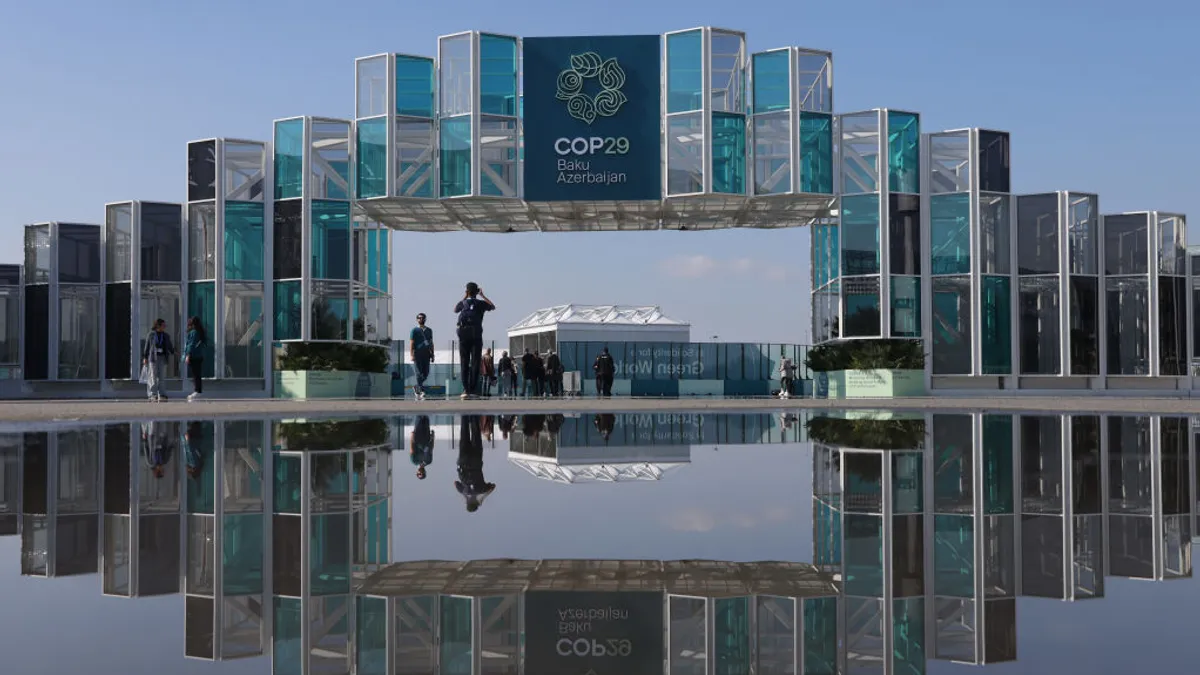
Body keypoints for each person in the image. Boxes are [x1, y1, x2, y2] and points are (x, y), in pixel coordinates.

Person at [453, 283, 495, 399]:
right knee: (475, 362)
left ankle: (465, 389)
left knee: (464, 362)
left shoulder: (463, 303)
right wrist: (483, 295)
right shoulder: (481, 304)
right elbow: (492, 306)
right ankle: (473, 389)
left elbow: (455, 310)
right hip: (476, 335)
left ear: (467, 291)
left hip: (463, 336)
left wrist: (465, 296)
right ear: (477, 292)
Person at [455, 415, 495, 512]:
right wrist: (465, 497)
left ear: (476, 503)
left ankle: (474, 416)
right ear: (467, 503)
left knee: (476, 435)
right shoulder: (463, 492)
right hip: (463, 461)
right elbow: (455, 483)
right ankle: (464, 415)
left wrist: (483, 497)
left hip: (476, 461)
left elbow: (493, 486)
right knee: (464, 434)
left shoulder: (481, 490)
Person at [142, 318, 176, 402]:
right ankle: (152, 394)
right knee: (152, 376)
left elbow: (169, 346)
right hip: (153, 358)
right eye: (163, 325)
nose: (164, 327)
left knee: (162, 377)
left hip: (162, 357)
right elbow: (147, 347)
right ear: (158, 325)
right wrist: (145, 357)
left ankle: (162, 394)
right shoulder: (151, 335)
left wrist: (173, 352)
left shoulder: (166, 335)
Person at [409, 313, 434, 400]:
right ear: (417, 319)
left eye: (422, 318)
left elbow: (431, 342)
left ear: (425, 319)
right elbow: (411, 343)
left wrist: (432, 354)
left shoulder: (429, 330)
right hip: (417, 354)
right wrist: (411, 354)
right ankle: (421, 390)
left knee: (426, 373)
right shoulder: (414, 330)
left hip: (427, 354)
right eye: (419, 318)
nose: (421, 319)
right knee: (419, 373)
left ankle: (417, 387)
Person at [183, 316, 207, 402]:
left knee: (195, 375)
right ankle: (198, 390)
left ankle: (197, 391)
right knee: (197, 374)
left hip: (194, 356)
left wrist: (188, 355)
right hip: (198, 356)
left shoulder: (194, 332)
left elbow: (191, 344)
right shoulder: (200, 332)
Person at [410, 415, 434, 480]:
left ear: (416, 472)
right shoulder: (428, 461)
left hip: (417, 439)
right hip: (427, 439)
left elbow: (412, 449)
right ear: (425, 472)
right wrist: (433, 437)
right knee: (426, 419)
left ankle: (418, 405)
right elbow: (431, 449)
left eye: (418, 474)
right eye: (422, 474)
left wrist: (412, 437)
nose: (420, 473)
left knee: (419, 419)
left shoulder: (414, 461)